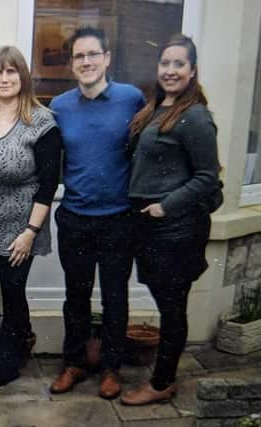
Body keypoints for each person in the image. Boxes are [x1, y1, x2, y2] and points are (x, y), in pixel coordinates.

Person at [121, 34, 221, 405]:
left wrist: (166, 205)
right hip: (152, 226)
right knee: (168, 302)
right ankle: (163, 377)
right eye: (165, 63)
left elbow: (207, 177)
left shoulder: (195, 116)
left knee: (172, 307)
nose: (170, 70)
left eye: (179, 64)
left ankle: (162, 383)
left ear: (192, 71)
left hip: (176, 228)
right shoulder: (158, 108)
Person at [49, 27, 145, 399]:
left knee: (115, 297)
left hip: (118, 218)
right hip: (74, 216)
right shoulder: (60, 106)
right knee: (75, 295)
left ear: (107, 58)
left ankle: (110, 368)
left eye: (93, 54)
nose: (86, 62)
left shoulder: (131, 99)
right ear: (72, 64)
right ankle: (73, 363)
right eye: (78, 56)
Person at [0, 46, 62, 388]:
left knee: (12, 294)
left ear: (23, 77)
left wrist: (31, 231)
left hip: (20, 229)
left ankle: (7, 361)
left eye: (11, 71)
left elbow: (48, 185)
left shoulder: (41, 121)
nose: (4, 79)